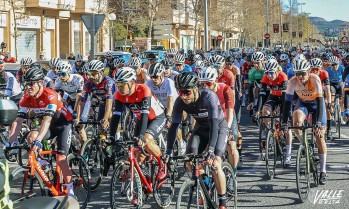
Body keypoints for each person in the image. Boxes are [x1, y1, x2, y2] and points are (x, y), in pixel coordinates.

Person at [8, 66, 75, 197]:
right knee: (31, 137)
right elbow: (18, 121)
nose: (28, 87)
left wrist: (39, 140)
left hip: (63, 125)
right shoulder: (27, 97)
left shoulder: (50, 95)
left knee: (61, 159)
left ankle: (70, 190)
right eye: (26, 83)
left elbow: (47, 119)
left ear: (40, 83)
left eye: (31, 84)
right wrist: (10, 142)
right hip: (48, 126)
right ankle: (44, 164)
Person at [165, 72, 228, 209]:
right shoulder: (179, 102)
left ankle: (223, 203)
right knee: (189, 160)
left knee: (216, 163)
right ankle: (204, 181)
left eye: (186, 92)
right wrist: (168, 151)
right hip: (200, 129)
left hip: (218, 128)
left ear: (195, 89)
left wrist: (211, 150)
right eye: (179, 92)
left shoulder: (209, 96)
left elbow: (214, 125)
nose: (183, 96)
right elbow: (174, 127)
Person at [110, 67, 167, 194]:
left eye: (121, 85)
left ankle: (163, 164)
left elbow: (145, 114)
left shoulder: (143, 89)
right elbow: (116, 117)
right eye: (116, 84)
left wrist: (141, 136)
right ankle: (143, 186)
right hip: (141, 119)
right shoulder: (119, 95)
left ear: (131, 83)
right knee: (138, 154)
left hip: (157, 117)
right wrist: (111, 136)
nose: (118, 88)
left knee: (145, 140)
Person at [280, 59, 328, 185]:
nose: (300, 77)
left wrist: (317, 122)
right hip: (303, 104)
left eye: (303, 73)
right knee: (296, 117)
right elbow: (287, 104)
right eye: (297, 74)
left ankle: (323, 171)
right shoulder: (292, 82)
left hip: (317, 105)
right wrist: (284, 123)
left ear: (308, 71)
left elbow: (319, 102)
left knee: (319, 136)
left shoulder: (315, 79)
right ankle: (304, 145)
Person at [75, 60, 116, 175]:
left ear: (101, 72)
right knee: (100, 132)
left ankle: (114, 143)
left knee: (110, 122)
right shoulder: (89, 83)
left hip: (114, 103)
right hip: (102, 104)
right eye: (90, 73)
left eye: (94, 73)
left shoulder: (108, 82)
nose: (91, 76)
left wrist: (107, 118)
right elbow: (83, 100)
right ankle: (104, 151)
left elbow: (109, 100)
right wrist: (79, 117)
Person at [198, 66, 239, 174]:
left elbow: (230, 111)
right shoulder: (201, 93)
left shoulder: (225, 89)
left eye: (208, 84)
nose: (205, 86)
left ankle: (233, 173)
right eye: (202, 84)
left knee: (231, 145)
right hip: (212, 118)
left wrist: (228, 129)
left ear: (215, 81)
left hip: (226, 118)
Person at [256, 59, 292, 165]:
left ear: (276, 70)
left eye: (271, 73)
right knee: (265, 111)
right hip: (274, 97)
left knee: (287, 126)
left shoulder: (283, 76)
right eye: (267, 73)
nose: (269, 76)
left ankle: (288, 156)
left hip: (284, 98)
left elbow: (286, 99)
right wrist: (258, 111)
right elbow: (262, 95)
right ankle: (270, 132)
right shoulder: (265, 78)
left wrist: (284, 116)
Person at [326, 56, 345, 140]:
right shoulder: (328, 70)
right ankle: (332, 110)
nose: (334, 66)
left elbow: (345, 78)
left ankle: (341, 114)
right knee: (332, 95)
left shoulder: (342, 68)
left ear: (338, 64)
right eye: (333, 65)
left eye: (336, 65)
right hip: (332, 84)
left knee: (341, 99)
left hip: (340, 83)